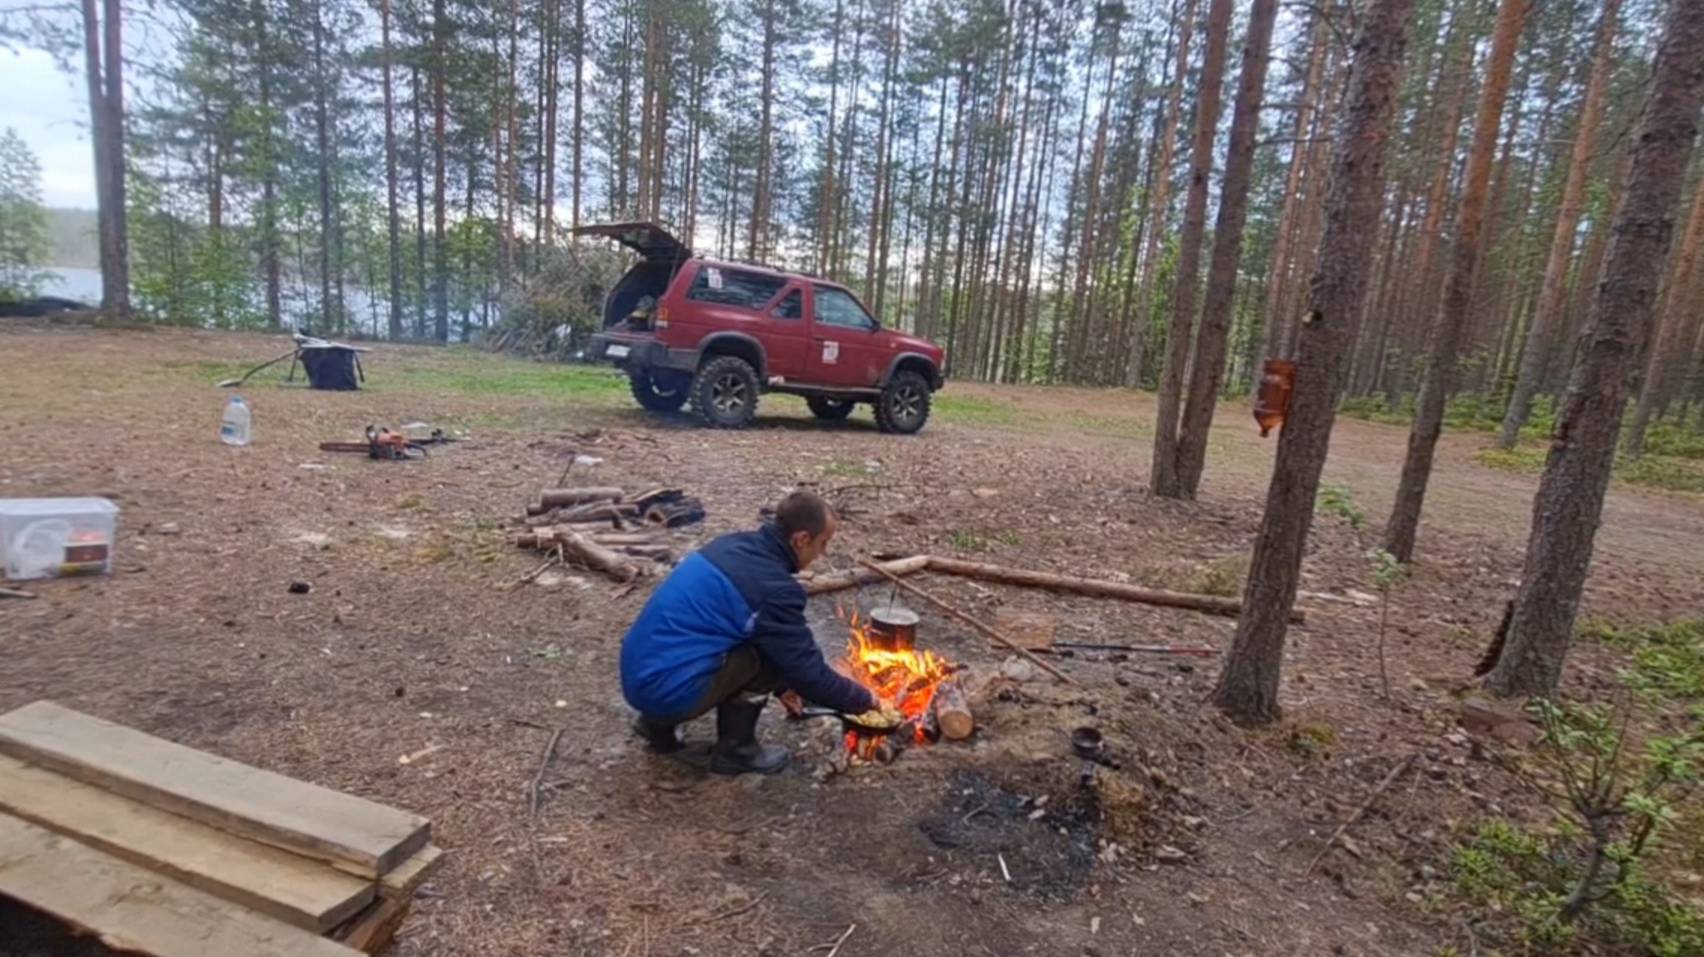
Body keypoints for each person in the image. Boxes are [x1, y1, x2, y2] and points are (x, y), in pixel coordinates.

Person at [619, 491, 876, 775]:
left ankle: (656, 726)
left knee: (749, 639)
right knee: (766, 656)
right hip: (666, 691)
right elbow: (806, 671)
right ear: (801, 539)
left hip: (639, 673)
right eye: (822, 544)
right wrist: (864, 701)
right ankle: (737, 752)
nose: (822, 554)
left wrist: (783, 687)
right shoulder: (774, 589)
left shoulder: (729, 545)